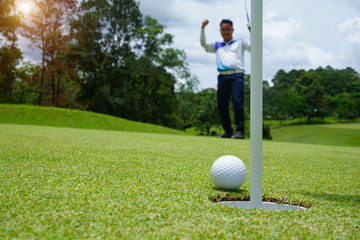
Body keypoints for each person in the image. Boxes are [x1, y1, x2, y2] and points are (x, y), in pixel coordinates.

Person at [200, 19, 250, 139]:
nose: (225, 32)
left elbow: (255, 46)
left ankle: (240, 131)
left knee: (237, 103)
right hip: (223, 76)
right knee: (222, 104)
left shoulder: (240, 42)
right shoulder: (217, 45)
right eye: (223, 30)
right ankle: (228, 131)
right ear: (220, 31)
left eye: (228, 29)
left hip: (237, 75)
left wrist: (252, 31)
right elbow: (203, 44)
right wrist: (202, 28)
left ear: (232, 30)